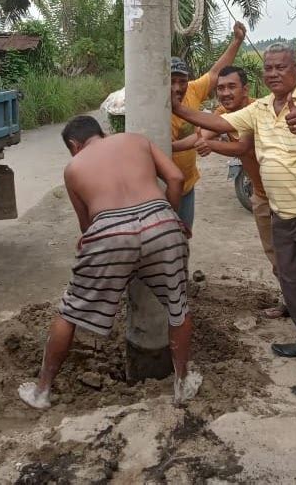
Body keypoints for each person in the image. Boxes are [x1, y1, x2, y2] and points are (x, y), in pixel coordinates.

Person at [171, 44, 296, 398]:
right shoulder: (261, 108)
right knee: (294, 284)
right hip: (281, 212)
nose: (272, 73)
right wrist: (177, 107)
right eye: (268, 68)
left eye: (280, 67)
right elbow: (219, 122)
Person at [18, 115, 202, 409]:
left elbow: (86, 225)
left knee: (70, 310)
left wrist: (102, 250)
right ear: (101, 132)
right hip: (160, 220)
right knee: (177, 305)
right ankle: (181, 385)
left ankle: (42, 392)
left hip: (109, 230)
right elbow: (177, 179)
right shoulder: (137, 140)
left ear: (74, 145)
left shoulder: (74, 167)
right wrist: (171, 219)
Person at [183, 65, 288, 319]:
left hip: (285, 195)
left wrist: (210, 144)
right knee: (274, 254)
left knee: (293, 254)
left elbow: (243, 147)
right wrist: (166, 144)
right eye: (220, 88)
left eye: (231, 87)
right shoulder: (221, 113)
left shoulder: (257, 110)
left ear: (245, 89)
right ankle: (288, 301)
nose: (226, 93)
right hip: (261, 196)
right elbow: (202, 135)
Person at [171, 21, 246, 231]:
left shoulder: (193, 91)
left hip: (187, 185)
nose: (177, 87)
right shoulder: (152, 109)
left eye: (182, 81)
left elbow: (215, 73)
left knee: (184, 236)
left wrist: (237, 41)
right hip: (161, 189)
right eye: (171, 81)